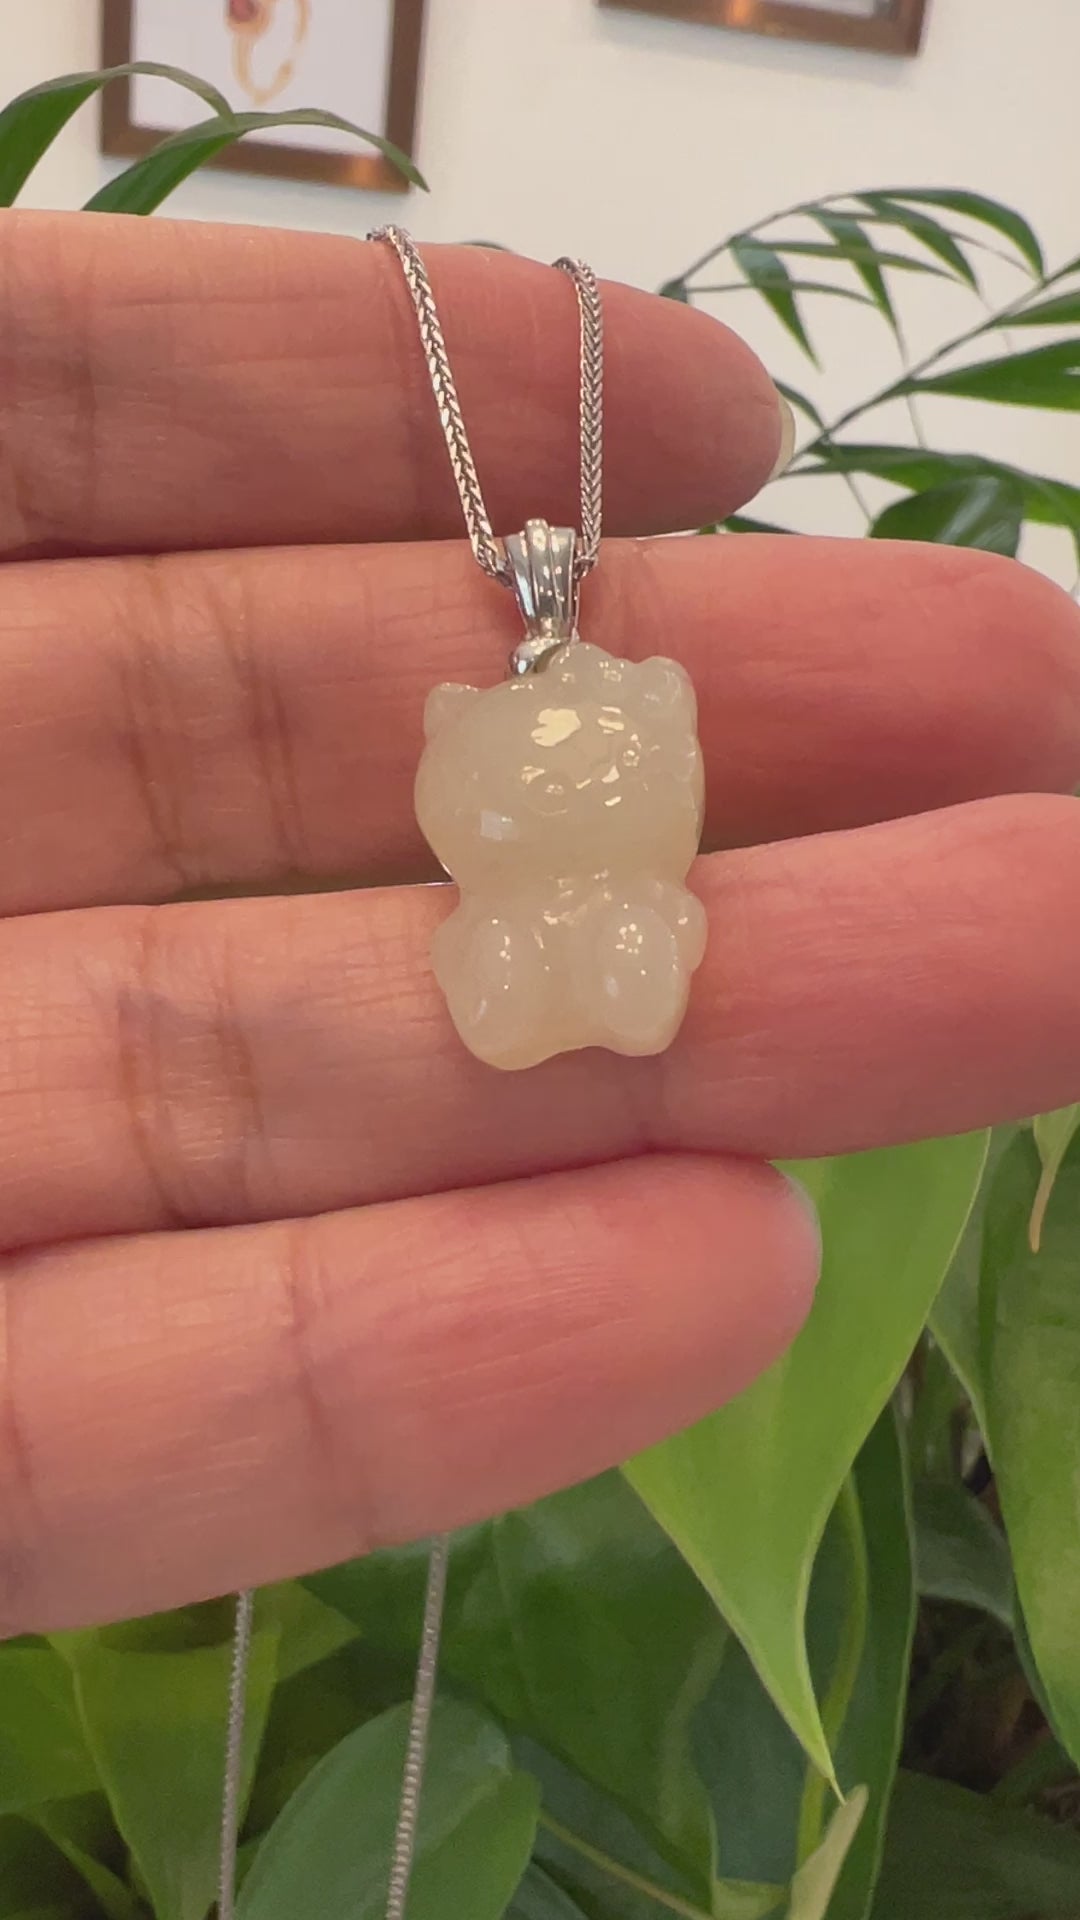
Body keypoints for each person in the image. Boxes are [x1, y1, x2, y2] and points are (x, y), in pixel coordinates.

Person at [0, 210, 1077, 1634]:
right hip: (516, 937)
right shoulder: (496, 743)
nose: (564, 782)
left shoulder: (623, 735)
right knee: (521, 991)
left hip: (626, 920)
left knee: (622, 977)